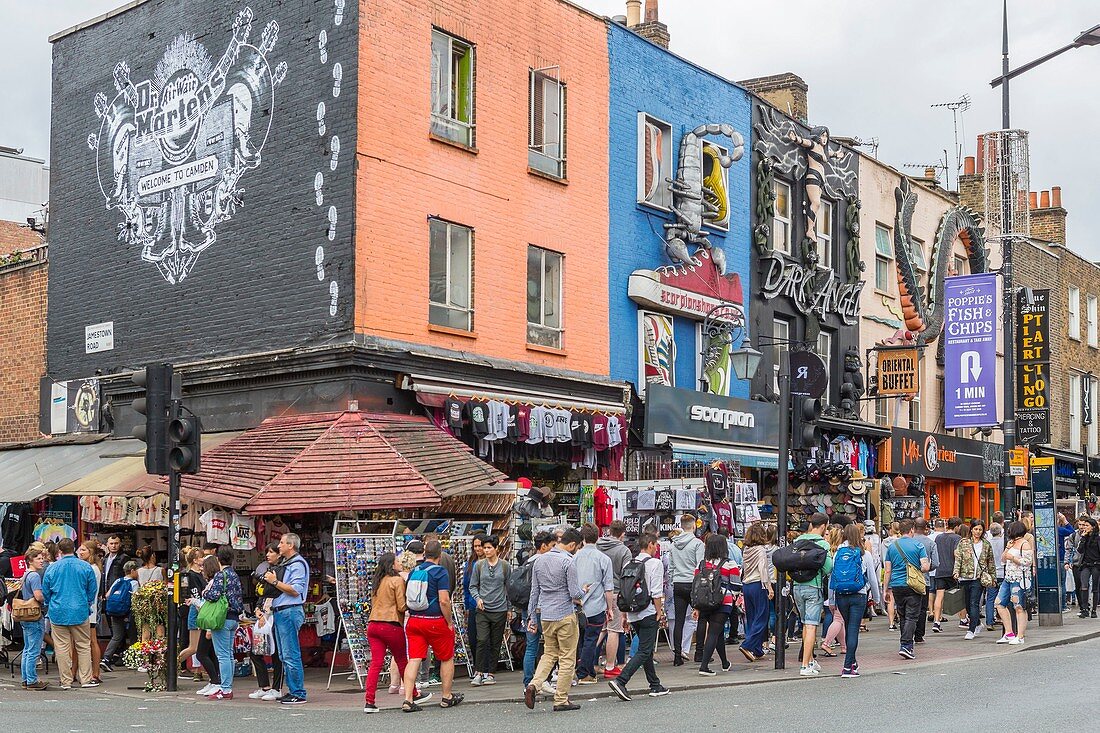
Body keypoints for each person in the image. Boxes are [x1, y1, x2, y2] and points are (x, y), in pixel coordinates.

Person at [524, 527, 583, 712]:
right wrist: (584, 591)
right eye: (577, 546)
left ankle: (534, 684)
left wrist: (532, 617)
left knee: (549, 654)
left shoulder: (539, 561)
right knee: (567, 657)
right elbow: (575, 593)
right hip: (565, 614)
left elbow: (534, 592)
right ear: (572, 544)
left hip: (546, 615)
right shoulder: (568, 562)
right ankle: (561, 699)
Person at [402, 539, 463, 712]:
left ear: (424, 553)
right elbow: (444, 600)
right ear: (440, 554)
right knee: (446, 657)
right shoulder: (440, 572)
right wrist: (449, 622)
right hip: (434, 621)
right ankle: (446, 696)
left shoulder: (414, 571)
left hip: (414, 621)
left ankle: (408, 698)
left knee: (414, 658)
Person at [607, 533, 669, 702]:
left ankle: (655, 685)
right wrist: (659, 611)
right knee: (644, 650)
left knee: (645, 648)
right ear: (649, 544)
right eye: (656, 545)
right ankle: (621, 680)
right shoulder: (655, 563)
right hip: (648, 611)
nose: (657, 548)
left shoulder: (629, 563)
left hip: (633, 613)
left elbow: (625, 591)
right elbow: (656, 591)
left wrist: (625, 615)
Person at [364, 552, 425, 713]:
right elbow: (401, 606)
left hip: (373, 624)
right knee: (402, 660)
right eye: (397, 561)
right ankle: (413, 694)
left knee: (375, 664)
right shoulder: (397, 580)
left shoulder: (377, 581)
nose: (399, 563)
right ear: (392, 565)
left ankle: (369, 701)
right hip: (391, 625)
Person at [41, 537, 99, 690]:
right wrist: (86, 603)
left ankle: (66, 681)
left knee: (61, 647)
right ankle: (85, 678)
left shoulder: (52, 568)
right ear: (74, 549)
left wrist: (49, 603)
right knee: (83, 645)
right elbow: (92, 590)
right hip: (79, 610)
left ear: (59, 551)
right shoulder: (85, 567)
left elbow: (46, 590)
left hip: (58, 610)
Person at [264, 532, 310, 705]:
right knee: (284, 654)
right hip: (281, 611)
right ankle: (293, 690)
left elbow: (296, 589)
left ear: (291, 546)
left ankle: (298, 692)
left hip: (289, 611)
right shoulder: (287, 563)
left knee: (290, 654)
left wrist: (274, 582)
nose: (279, 546)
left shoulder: (297, 564)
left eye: (282, 543)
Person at [834, 523, 881, 677]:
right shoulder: (864, 554)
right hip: (859, 594)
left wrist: (831, 599)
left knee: (848, 628)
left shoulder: (838, 553)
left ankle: (852, 662)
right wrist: (877, 597)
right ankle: (848, 667)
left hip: (841, 595)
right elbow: (873, 579)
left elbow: (832, 578)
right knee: (853, 629)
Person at [791, 513, 833, 676]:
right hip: (813, 587)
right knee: (811, 625)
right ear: (823, 526)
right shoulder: (823, 544)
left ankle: (809, 660)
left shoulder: (798, 540)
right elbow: (828, 568)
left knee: (804, 624)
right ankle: (804, 666)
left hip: (796, 586)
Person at [883, 519, 930, 660]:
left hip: (897, 585)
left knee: (903, 615)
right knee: (912, 616)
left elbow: (887, 570)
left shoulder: (892, 547)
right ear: (911, 530)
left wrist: (886, 589)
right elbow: (925, 567)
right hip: (913, 585)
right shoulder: (918, 545)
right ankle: (906, 645)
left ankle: (906, 643)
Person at [201, 546, 243, 700]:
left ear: (218, 559)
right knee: (229, 654)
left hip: (222, 618)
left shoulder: (221, 575)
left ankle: (225, 689)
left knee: (223, 655)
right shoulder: (235, 575)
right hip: (234, 618)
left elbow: (213, 595)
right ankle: (228, 686)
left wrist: (204, 592)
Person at [573, 524, 614, 685]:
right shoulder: (603, 559)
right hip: (596, 606)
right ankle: (584, 673)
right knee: (591, 639)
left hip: (577, 605)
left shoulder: (573, 558)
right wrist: (610, 608)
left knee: (581, 640)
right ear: (597, 537)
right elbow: (608, 587)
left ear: (582, 538)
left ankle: (585, 670)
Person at [692, 534, 739, 675]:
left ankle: (725, 662)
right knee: (714, 632)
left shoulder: (701, 564)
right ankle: (704, 666)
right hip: (723, 602)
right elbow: (736, 585)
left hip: (704, 602)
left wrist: (696, 607)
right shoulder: (730, 564)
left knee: (717, 634)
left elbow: (695, 583)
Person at [469, 534, 511, 686]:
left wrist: (509, 607)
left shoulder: (505, 566)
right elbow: (473, 585)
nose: (485, 550)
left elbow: (508, 587)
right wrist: (478, 598)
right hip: (483, 608)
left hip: (500, 608)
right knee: (481, 639)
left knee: (495, 642)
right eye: (484, 547)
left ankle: (491, 673)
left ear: (496, 549)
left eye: (489, 548)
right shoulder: (479, 566)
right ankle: (479, 672)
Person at [247, 544, 283, 700]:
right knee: (256, 651)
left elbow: (276, 592)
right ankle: (264, 686)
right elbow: (261, 594)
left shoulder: (280, 572)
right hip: (263, 614)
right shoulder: (267, 572)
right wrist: (258, 610)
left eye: (271, 552)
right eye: (267, 552)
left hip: (274, 615)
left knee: (276, 653)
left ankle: (277, 688)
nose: (268, 555)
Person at [596, 520, 632, 678]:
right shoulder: (624, 551)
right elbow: (627, 577)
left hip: (597, 593)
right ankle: (610, 666)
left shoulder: (597, 546)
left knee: (600, 629)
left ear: (609, 530)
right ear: (622, 534)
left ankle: (584, 659)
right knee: (613, 630)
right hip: (616, 592)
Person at [668, 515, 705, 666]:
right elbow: (700, 566)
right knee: (702, 617)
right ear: (694, 526)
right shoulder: (697, 544)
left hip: (678, 582)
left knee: (679, 620)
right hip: (692, 583)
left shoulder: (673, 544)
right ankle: (700, 653)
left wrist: (673, 580)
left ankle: (677, 656)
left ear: (682, 526)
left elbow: (671, 567)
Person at [521, 532, 554, 688]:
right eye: (552, 546)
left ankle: (528, 682)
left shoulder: (527, 561)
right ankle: (544, 680)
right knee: (551, 647)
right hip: (543, 608)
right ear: (544, 546)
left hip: (528, 607)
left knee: (531, 646)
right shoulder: (543, 562)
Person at [953, 520, 995, 640]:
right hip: (965, 576)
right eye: (976, 529)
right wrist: (956, 572)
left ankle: (971, 630)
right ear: (971, 529)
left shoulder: (986, 544)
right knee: (967, 603)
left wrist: (993, 578)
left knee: (974, 603)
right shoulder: (963, 542)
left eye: (980, 529)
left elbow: (990, 562)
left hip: (978, 577)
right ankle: (976, 623)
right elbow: (958, 559)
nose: (977, 532)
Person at [995, 521, 1034, 644]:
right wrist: (1007, 549)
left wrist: (1013, 558)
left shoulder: (1025, 544)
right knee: (999, 604)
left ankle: (1020, 636)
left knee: (1019, 607)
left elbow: (1028, 562)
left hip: (1020, 580)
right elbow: (1002, 560)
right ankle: (1009, 633)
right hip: (1008, 578)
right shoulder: (1011, 544)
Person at [739, 523, 772, 661]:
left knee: (752, 617)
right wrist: (769, 587)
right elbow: (763, 569)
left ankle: (757, 649)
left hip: (747, 585)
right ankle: (747, 645)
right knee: (762, 617)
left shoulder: (746, 549)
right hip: (758, 584)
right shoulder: (760, 550)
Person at [191, 557, 223, 695]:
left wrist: (194, 601)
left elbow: (209, 604)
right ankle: (214, 681)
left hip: (209, 622)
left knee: (201, 654)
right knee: (210, 653)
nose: (201, 568)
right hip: (208, 621)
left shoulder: (212, 583)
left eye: (203, 566)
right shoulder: (212, 582)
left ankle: (216, 681)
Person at [19, 547, 49, 690]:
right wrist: (47, 598)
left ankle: (26, 679)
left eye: (42, 558)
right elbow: (38, 596)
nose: (41, 561)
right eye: (38, 558)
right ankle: (32, 680)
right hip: (34, 615)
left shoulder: (26, 574)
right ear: (30, 561)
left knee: (27, 649)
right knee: (33, 650)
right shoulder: (35, 576)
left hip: (25, 615)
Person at [75, 540, 104, 682]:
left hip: (90, 609)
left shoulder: (92, 569)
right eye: (79, 550)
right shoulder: (90, 567)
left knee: (92, 641)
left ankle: (95, 672)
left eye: (83, 550)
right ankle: (77, 671)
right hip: (88, 608)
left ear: (90, 552)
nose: (80, 552)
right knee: (84, 641)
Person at [103, 561, 140, 669]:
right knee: (134, 637)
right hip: (128, 614)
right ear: (132, 571)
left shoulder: (118, 580)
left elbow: (108, 595)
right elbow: (136, 599)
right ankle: (134, 660)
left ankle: (106, 659)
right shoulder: (134, 583)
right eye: (136, 570)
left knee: (116, 637)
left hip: (115, 612)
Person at [930, 518, 961, 632]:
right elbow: (956, 554)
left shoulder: (938, 537)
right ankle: (963, 619)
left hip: (940, 570)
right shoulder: (957, 538)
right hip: (952, 570)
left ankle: (936, 622)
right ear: (957, 526)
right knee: (958, 596)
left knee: (939, 596)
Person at [461, 534, 486, 672]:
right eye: (475, 546)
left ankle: (485, 667)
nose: (477, 549)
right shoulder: (470, 564)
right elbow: (466, 586)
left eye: (480, 546)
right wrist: (466, 605)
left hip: (488, 606)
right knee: (473, 638)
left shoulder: (490, 563)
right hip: (473, 605)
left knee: (485, 639)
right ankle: (478, 666)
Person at [913, 518, 938, 643]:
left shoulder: (908, 542)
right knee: (922, 609)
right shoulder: (930, 543)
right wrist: (927, 568)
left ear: (914, 527)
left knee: (908, 609)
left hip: (907, 579)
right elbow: (936, 563)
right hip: (924, 580)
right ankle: (919, 635)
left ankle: (907, 633)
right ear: (926, 528)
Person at [1072, 516, 1100, 617]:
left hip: (1096, 564)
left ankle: (1093, 610)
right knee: (1084, 586)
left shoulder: (1098, 538)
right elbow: (1079, 550)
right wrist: (1083, 537)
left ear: (1093, 527)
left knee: (1095, 588)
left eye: (1087, 526)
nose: (1085, 527)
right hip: (1085, 564)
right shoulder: (1084, 537)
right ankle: (1084, 609)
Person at [985, 522, 1005, 630]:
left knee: (990, 598)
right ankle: (1002, 617)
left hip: (991, 574)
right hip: (1002, 572)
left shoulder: (987, 543)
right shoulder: (1004, 542)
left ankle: (989, 621)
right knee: (1003, 597)